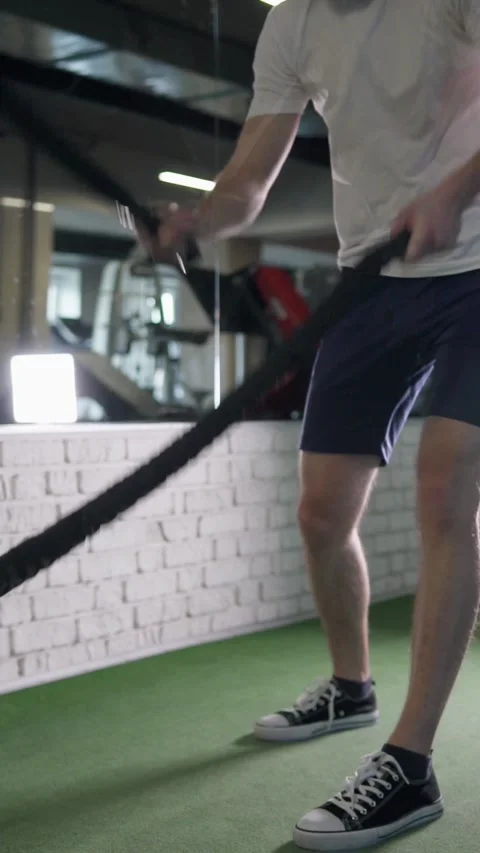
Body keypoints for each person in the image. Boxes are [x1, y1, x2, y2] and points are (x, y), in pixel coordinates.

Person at [139, 1, 480, 849]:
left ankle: (408, 763)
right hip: (372, 276)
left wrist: (455, 188)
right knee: (322, 513)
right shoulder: (292, 25)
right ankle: (350, 684)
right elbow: (249, 183)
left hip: (476, 262)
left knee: (446, 485)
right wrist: (194, 222)